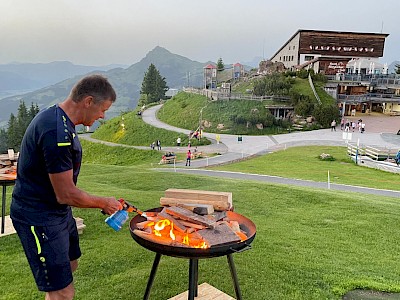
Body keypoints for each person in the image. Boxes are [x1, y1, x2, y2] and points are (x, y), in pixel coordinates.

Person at [10, 75, 122, 300]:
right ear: (88, 101)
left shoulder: (60, 119)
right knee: (62, 291)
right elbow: (66, 194)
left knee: (70, 265)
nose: (103, 116)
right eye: (103, 109)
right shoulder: (55, 133)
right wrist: (104, 202)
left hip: (58, 213)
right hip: (38, 217)